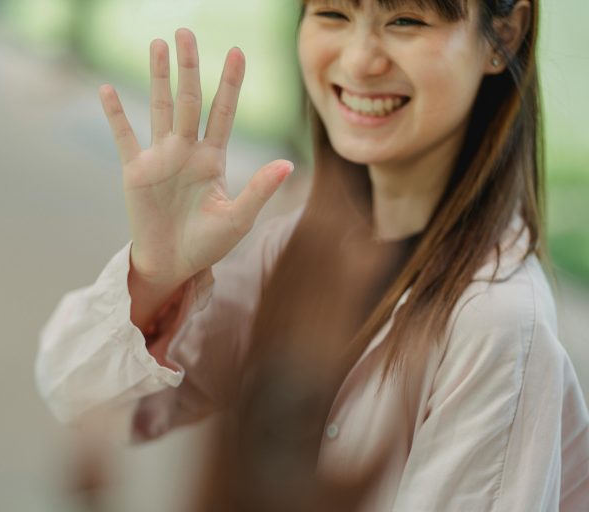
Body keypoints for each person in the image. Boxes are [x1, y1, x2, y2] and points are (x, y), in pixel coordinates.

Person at [36, 0, 589, 510]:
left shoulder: (498, 324)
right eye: (332, 13)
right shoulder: (305, 244)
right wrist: (155, 274)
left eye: (407, 21)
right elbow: (78, 389)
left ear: (505, 34)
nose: (360, 59)